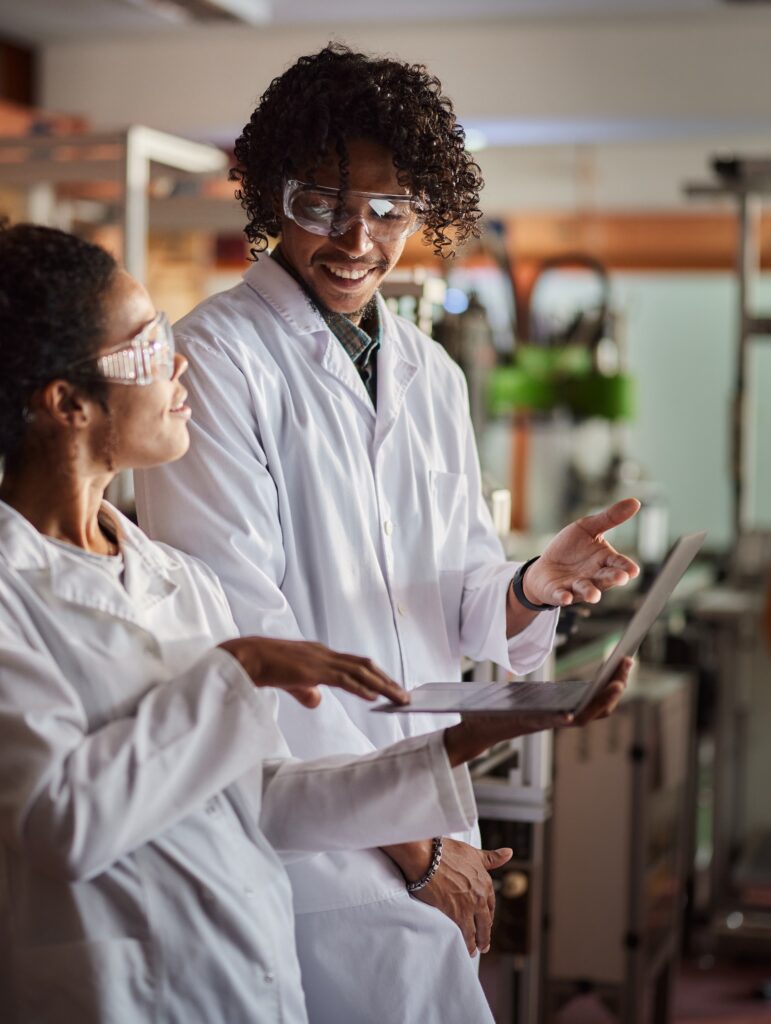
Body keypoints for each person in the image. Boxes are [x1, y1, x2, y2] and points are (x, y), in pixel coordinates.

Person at [0, 196, 632, 1024]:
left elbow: (265, 797)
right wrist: (241, 671)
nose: (179, 365)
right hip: (107, 989)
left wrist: (474, 731)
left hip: (240, 976)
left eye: (389, 207)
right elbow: (65, 823)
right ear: (67, 403)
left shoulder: (171, 578)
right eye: (150, 347)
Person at [134, 44, 641, 1024]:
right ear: (269, 194)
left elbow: (445, 589)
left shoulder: (429, 373)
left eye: (388, 209)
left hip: (419, 802)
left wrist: (533, 581)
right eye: (320, 201)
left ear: (425, 210)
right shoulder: (216, 357)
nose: (355, 237)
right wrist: (415, 850)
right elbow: (245, 645)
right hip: (307, 843)